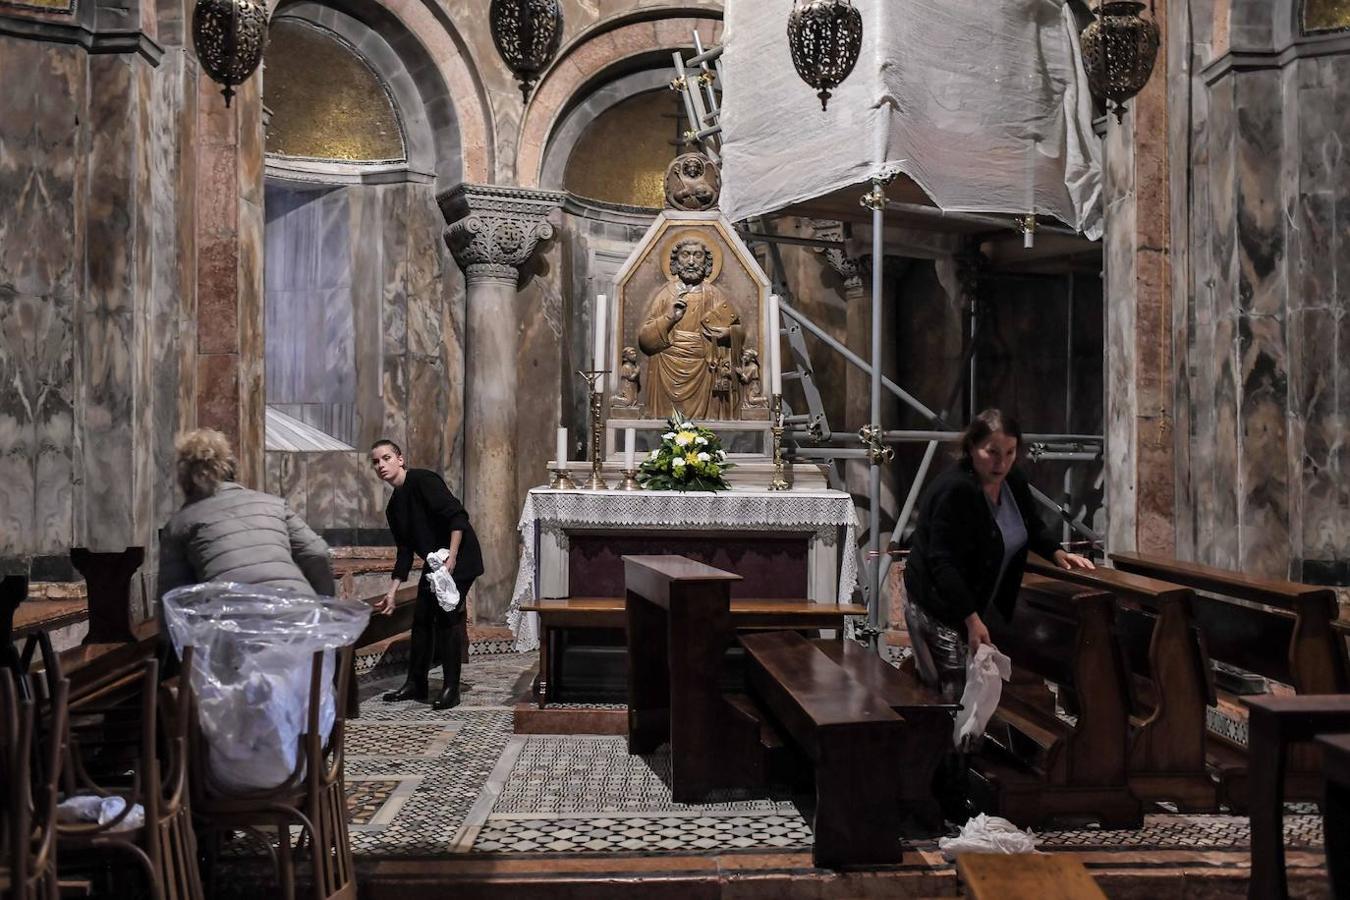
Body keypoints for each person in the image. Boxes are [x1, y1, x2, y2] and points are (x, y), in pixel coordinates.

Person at [903, 409, 1095, 703]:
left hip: (980, 601)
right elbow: (942, 562)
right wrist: (971, 619)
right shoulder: (956, 490)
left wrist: (1056, 552)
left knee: (982, 687)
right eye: (992, 452)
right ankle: (951, 748)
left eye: (1009, 452)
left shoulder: (1012, 480)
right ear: (971, 448)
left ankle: (980, 744)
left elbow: (1031, 525)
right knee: (953, 695)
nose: (1001, 462)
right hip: (938, 604)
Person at [369, 440, 483, 710]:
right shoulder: (394, 507)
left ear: (400, 459)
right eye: (376, 462)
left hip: (461, 557)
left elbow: (457, 517)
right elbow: (405, 552)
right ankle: (415, 683)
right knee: (421, 618)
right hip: (436, 565)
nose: (381, 465)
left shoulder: (424, 481)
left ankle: (451, 689)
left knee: (448, 617)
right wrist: (392, 592)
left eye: (386, 458)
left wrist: (452, 558)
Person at [158, 429, 335, 599]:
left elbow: (172, 601)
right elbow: (317, 552)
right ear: (231, 469)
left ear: (184, 478)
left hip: (233, 621)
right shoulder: (273, 505)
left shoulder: (179, 525)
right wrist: (324, 604)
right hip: (300, 615)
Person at [637, 237, 745, 419]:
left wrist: (729, 334)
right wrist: (670, 317)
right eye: (685, 255)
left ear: (707, 261)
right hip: (667, 369)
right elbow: (645, 341)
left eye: (698, 255)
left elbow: (739, 331)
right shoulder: (666, 295)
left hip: (705, 370)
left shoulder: (713, 294)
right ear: (676, 262)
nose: (692, 261)